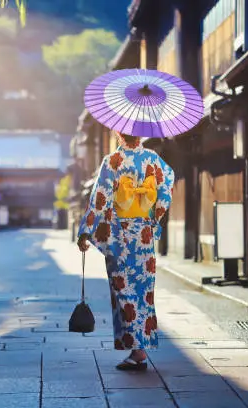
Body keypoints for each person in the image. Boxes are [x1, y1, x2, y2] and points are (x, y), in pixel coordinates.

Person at [77, 131, 174, 371]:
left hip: (120, 236)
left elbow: (100, 197)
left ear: (119, 135)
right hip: (143, 236)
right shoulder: (153, 159)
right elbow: (167, 183)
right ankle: (140, 347)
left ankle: (137, 351)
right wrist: (155, 218)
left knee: (124, 292)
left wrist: (86, 230)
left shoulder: (113, 161)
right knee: (143, 292)